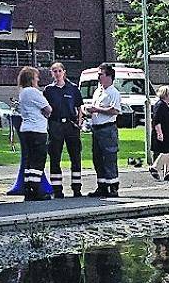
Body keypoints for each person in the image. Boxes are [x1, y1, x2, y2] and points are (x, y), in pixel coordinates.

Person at [43, 62, 83, 198]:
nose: (57, 74)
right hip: (55, 125)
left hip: (71, 125)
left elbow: (79, 108)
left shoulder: (73, 88)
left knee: (76, 157)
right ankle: (57, 189)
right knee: (55, 157)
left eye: (59, 71)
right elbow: (44, 108)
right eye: (54, 71)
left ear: (64, 72)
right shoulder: (49, 90)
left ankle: (77, 188)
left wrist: (79, 122)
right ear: (51, 73)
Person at [86, 63, 121, 197]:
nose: (98, 77)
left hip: (107, 129)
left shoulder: (113, 92)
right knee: (98, 158)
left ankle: (113, 187)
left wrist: (96, 110)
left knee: (109, 158)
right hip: (96, 129)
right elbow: (96, 109)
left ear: (109, 76)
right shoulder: (98, 91)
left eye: (101, 74)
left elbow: (115, 111)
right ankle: (102, 186)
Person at [17, 66, 52, 201]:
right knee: (38, 160)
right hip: (37, 129)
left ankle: (28, 188)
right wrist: (45, 113)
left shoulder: (23, 92)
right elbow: (48, 109)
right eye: (36, 77)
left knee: (29, 160)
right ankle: (35, 188)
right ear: (31, 79)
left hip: (26, 129)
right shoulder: (33, 92)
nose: (38, 79)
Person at [150, 85, 169, 181]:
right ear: (166, 94)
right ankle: (155, 167)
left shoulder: (167, 105)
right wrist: (159, 133)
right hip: (164, 132)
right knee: (168, 152)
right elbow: (157, 120)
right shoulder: (160, 105)